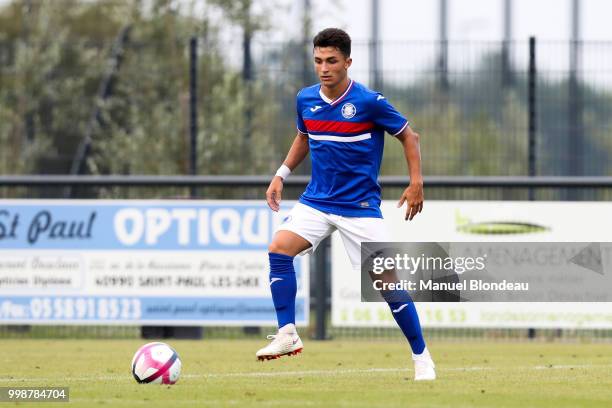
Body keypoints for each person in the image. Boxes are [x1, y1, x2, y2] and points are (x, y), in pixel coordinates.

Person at [256, 28, 436, 381]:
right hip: (317, 201)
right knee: (279, 248)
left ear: (347, 62)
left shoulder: (368, 102)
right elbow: (304, 136)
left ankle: (421, 356)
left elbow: (408, 137)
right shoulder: (306, 99)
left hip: (359, 207)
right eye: (319, 60)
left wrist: (416, 183)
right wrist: (280, 174)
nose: (324, 68)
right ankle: (287, 333)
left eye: (332, 61)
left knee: (387, 284)